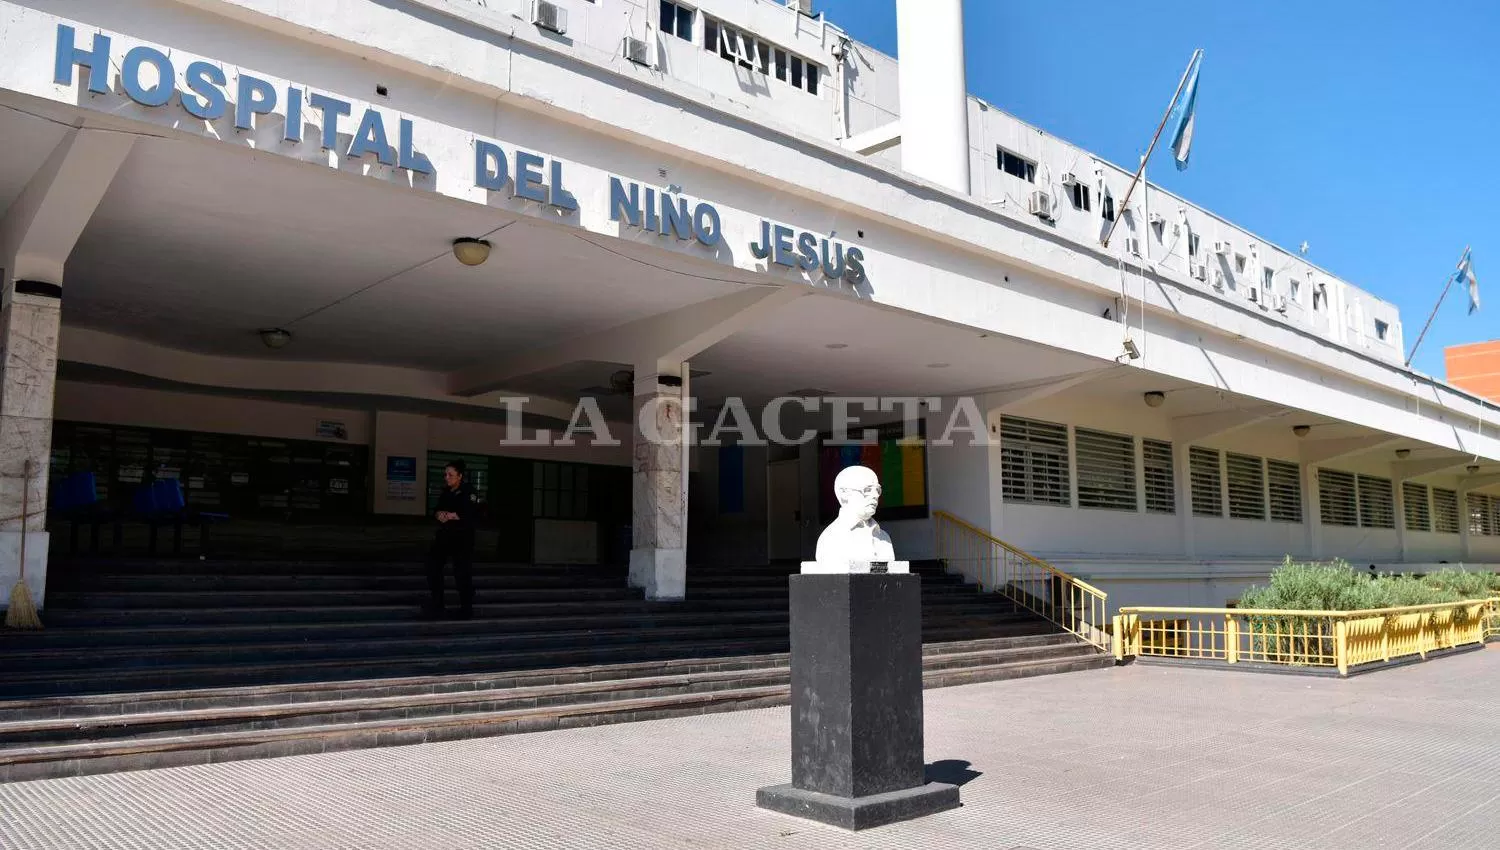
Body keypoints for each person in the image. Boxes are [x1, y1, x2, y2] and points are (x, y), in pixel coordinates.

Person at [425, 460, 478, 619]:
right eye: (445, 474)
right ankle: (437, 603)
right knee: (433, 567)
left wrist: (453, 515)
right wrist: (438, 514)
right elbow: (437, 509)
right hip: (444, 537)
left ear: (460, 476)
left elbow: (471, 514)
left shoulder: (469, 492)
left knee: (462, 573)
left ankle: (466, 608)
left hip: (462, 538)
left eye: (451, 475)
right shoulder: (446, 492)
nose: (447, 477)